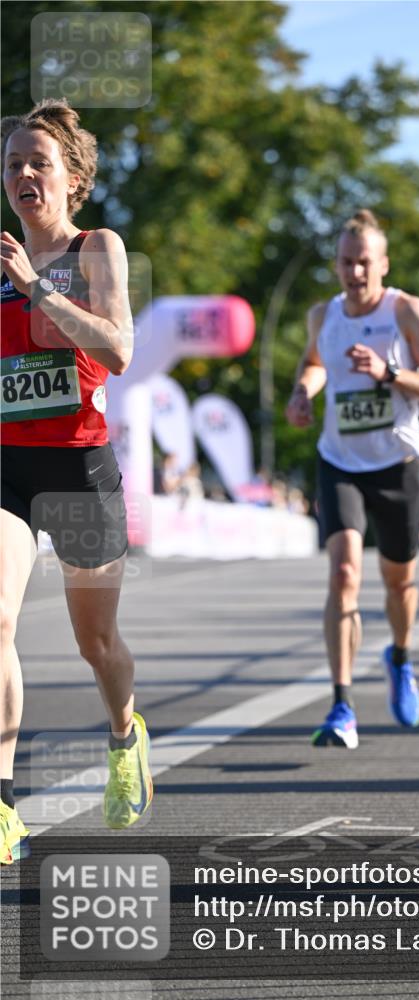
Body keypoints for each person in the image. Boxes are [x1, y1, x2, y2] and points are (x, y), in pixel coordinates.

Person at [1, 99, 152, 864]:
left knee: (95, 644)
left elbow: (119, 349)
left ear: (73, 179)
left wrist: (35, 287)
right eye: (13, 164)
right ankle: (2, 803)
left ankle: (124, 733)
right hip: (9, 470)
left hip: (81, 468)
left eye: (39, 163)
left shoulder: (97, 248)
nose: (24, 174)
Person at [286, 209, 419, 748]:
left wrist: (389, 373)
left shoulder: (406, 311)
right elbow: (315, 362)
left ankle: (399, 658)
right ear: (335, 265)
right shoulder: (323, 315)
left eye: (364, 263)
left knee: (399, 582)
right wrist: (302, 392)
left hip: (397, 465)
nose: (354, 273)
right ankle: (341, 704)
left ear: (382, 264)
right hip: (340, 463)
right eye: (345, 262)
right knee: (343, 575)